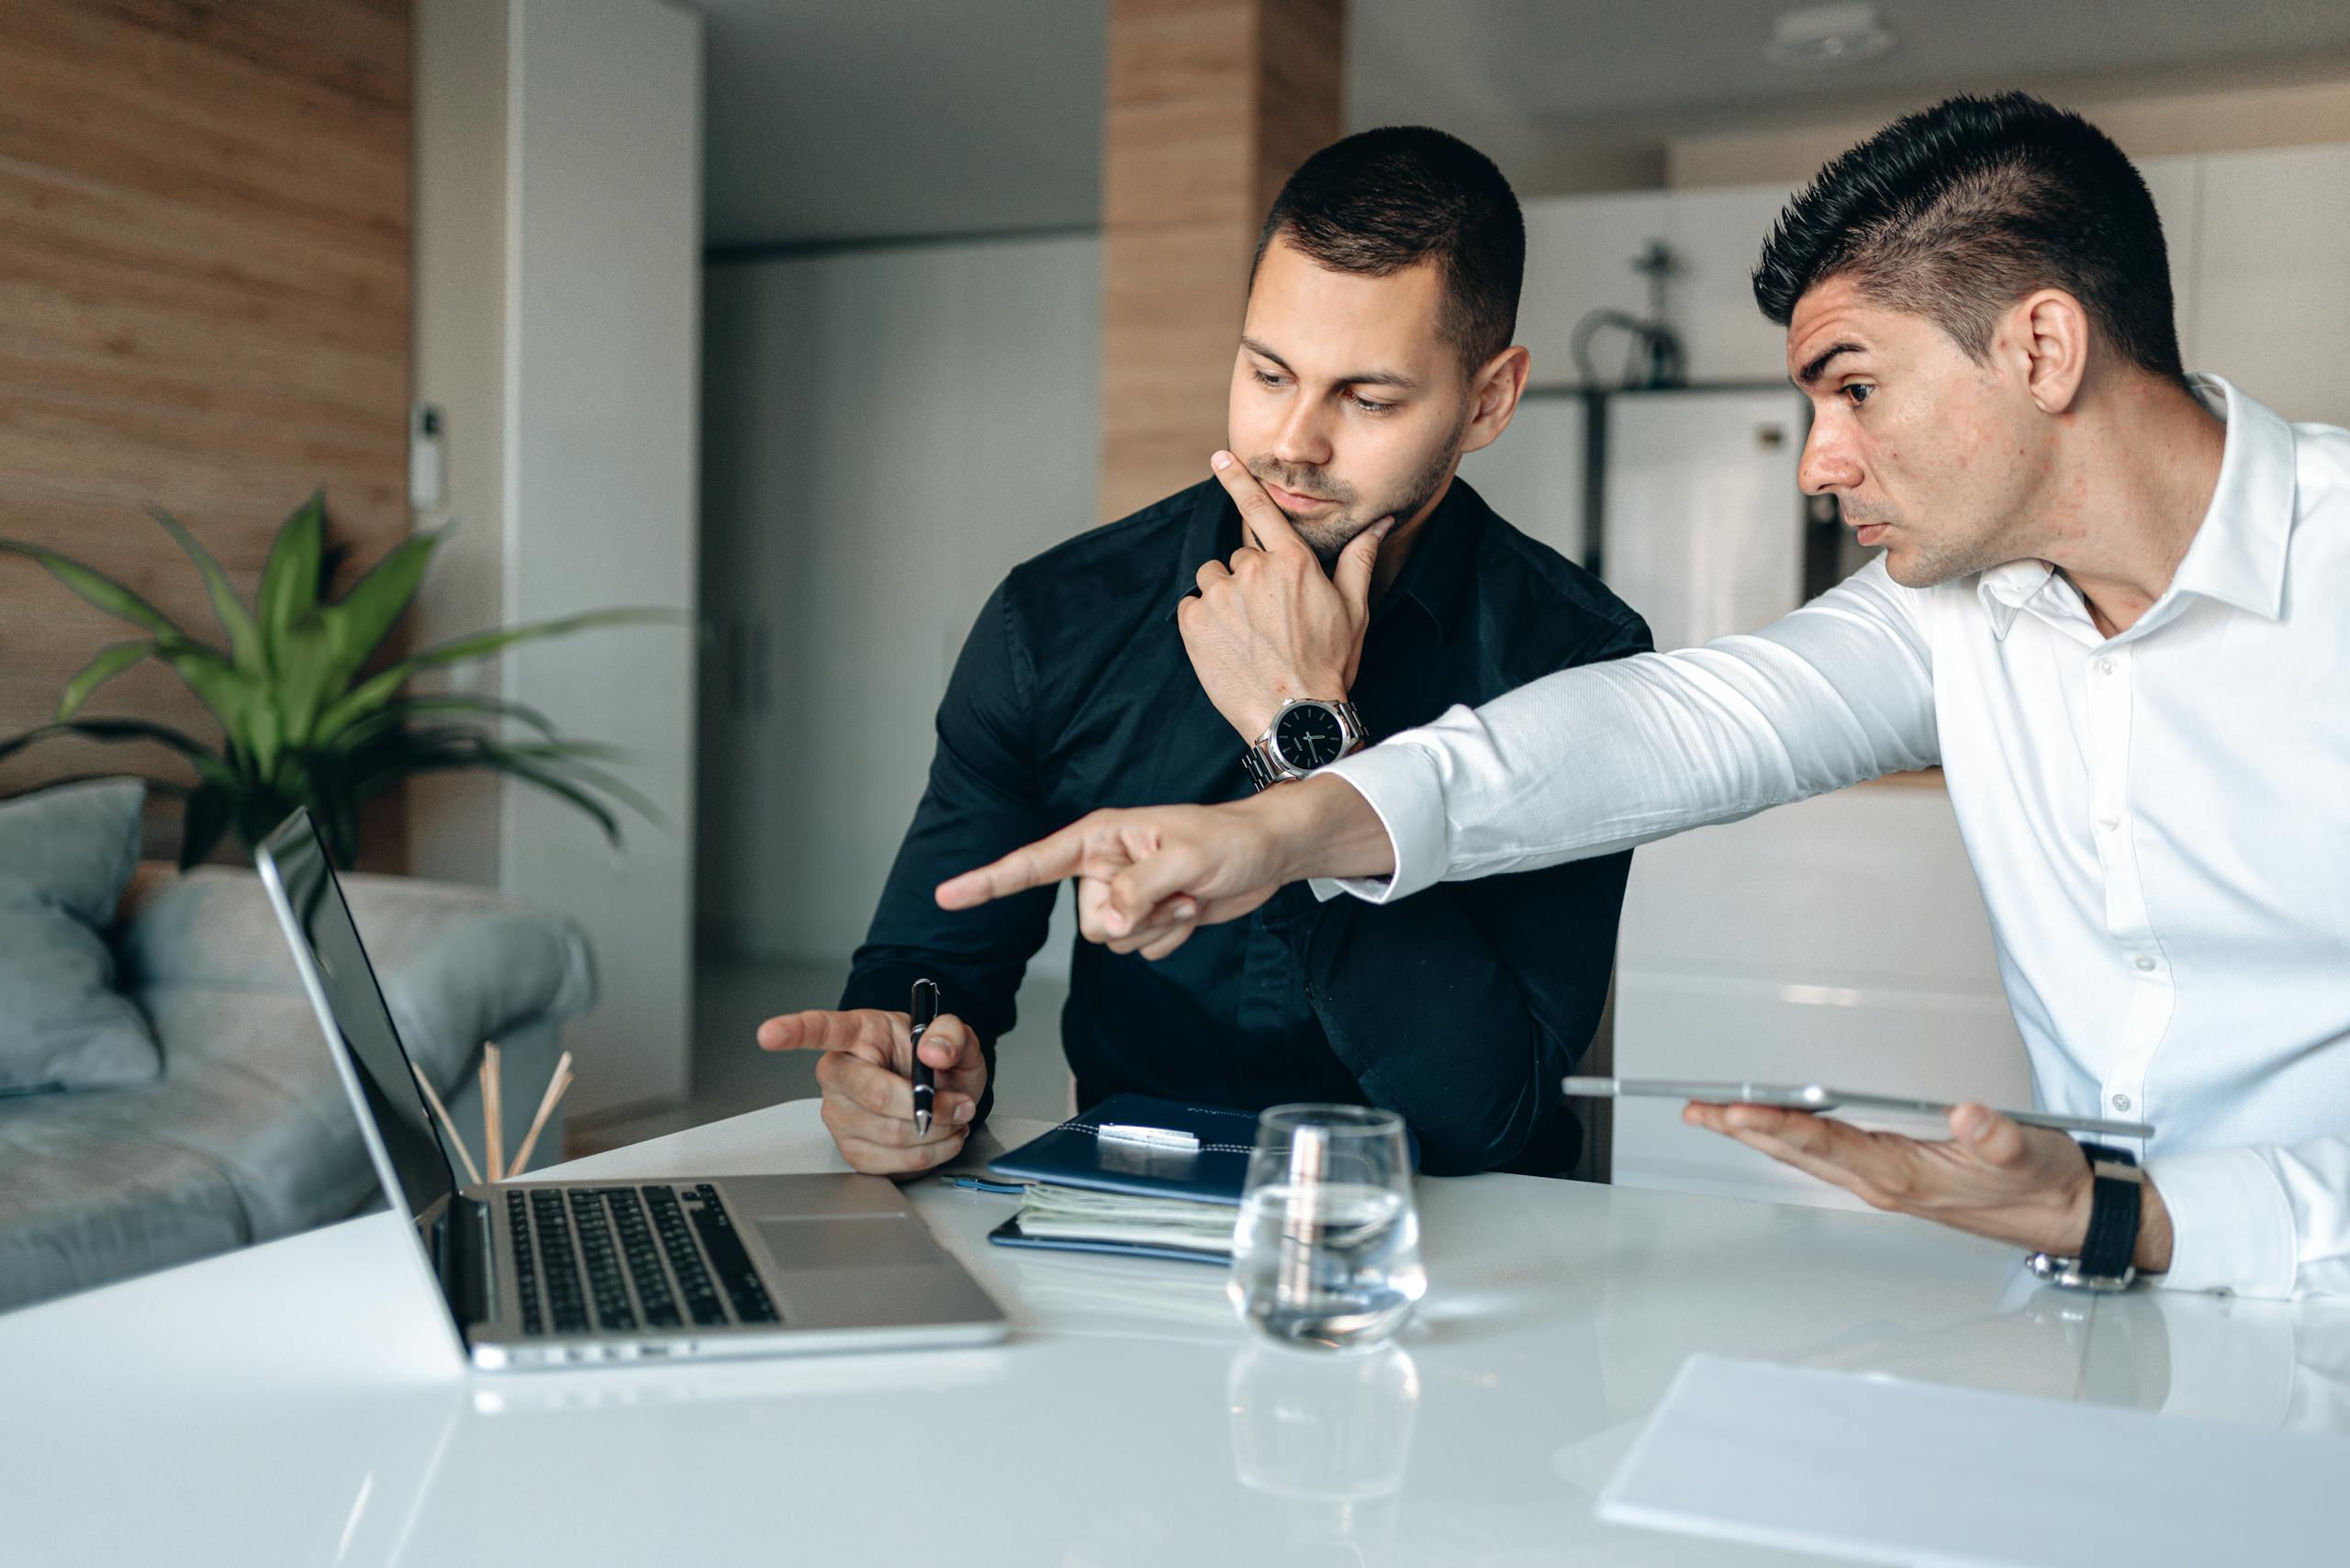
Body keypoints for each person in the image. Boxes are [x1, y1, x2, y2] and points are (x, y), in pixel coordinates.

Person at [938, 94, 2350, 1300]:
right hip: (2118, 1299)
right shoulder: (1964, 614)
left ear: (2042, 349)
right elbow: (1669, 726)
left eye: (1853, 389)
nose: (1818, 461)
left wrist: (2135, 1215)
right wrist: (1286, 826)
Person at [760, 128, 1651, 1178]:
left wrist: (1303, 736)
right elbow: (931, 959)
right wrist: (914, 1064)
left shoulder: (1577, 656)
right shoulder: (1054, 620)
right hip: (1130, 1200)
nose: (1294, 442)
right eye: (1268, 372)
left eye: (1367, 400)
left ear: (1488, 400)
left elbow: (1486, 1110)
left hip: (1461, 1240)